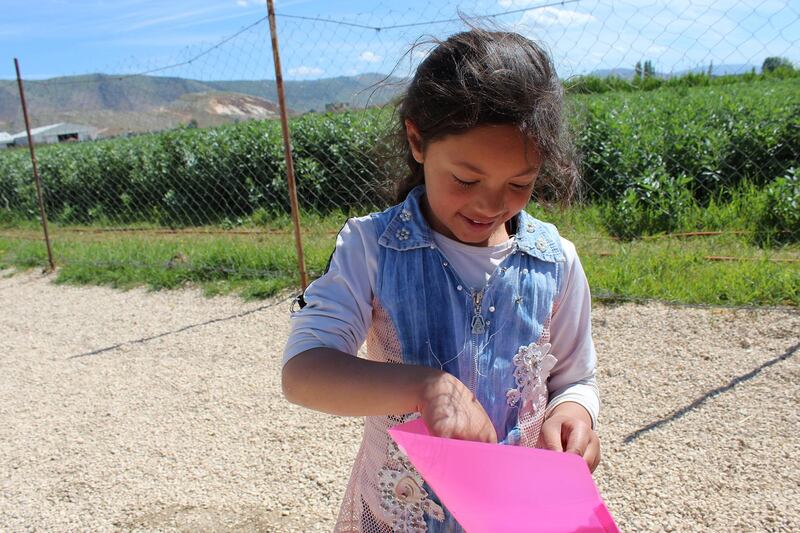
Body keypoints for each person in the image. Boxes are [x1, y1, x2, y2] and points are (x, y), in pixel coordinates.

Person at [282, 28, 600, 533]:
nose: (490, 204)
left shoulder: (555, 262)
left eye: (520, 184)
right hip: (397, 516)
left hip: (515, 516)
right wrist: (424, 387)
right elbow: (303, 373)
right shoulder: (371, 248)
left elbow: (574, 378)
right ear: (417, 142)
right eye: (466, 180)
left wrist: (575, 414)